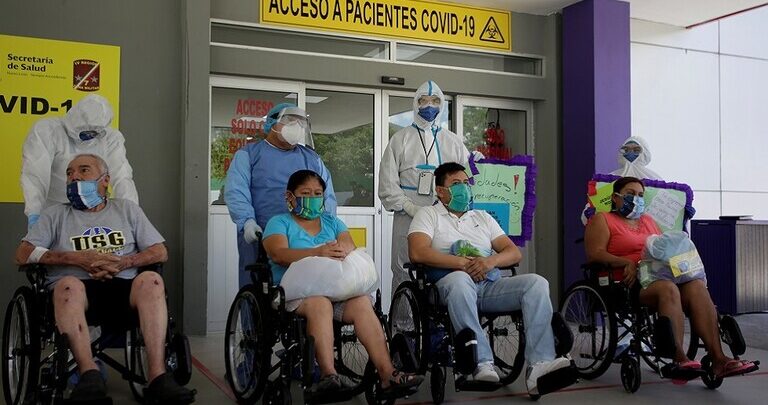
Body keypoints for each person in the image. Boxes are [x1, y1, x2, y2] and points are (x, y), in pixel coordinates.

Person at [14, 154, 195, 403]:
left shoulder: (127, 209)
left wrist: (125, 262)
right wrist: (77, 259)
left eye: (83, 170)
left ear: (105, 180)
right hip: (75, 291)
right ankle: (89, 374)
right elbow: (22, 254)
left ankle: (158, 376)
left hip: (123, 287)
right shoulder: (55, 215)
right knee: (68, 285)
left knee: (152, 280)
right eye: (69, 173)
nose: (74, 177)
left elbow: (159, 251)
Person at [407, 162, 571, 395]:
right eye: (456, 183)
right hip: (447, 286)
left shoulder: (482, 217)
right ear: (440, 191)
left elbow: (513, 252)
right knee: (460, 280)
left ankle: (540, 365)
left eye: (466, 183)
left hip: (487, 285)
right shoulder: (428, 215)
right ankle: (482, 362)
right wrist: (462, 264)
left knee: (536, 283)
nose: (464, 188)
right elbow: (418, 252)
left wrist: (489, 262)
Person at [262, 170, 423, 394]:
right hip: (298, 293)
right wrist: (317, 252)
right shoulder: (279, 222)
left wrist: (342, 250)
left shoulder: (332, 222)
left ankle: (388, 375)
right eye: (305, 193)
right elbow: (278, 254)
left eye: (317, 193)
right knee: (320, 304)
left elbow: (349, 247)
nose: (312, 198)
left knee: (362, 303)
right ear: (290, 196)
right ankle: (329, 375)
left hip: (335, 290)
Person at [584, 176, 759, 379]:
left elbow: (662, 249)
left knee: (696, 286)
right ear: (615, 197)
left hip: (657, 275)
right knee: (668, 288)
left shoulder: (648, 221)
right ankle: (679, 358)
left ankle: (719, 359)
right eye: (630, 194)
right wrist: (625, 262)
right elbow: (595, 254)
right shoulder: (603, 219)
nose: (636, 199)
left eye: (640, 195)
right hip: (624, 282)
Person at [379, 80, 478, 298]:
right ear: (415, 103)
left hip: (447, 218)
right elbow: (387, 184)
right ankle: (403, 318)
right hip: (408, 217)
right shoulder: (400, 139)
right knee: (405, 269)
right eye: (423, 101)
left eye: (435, 101)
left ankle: (445, 314)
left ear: (441, 104)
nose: (429, 106)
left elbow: (468, 179)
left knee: (447, 264)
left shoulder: (452, 141)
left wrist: (479, 164)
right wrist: (409, 207)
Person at [225, 103, 337, 288]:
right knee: (257, 287)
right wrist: (247, 222)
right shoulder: (249, 155)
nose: (297, 127)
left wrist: (328, 225)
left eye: (300, 123)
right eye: (290, 121)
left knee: (312, 285)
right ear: (272, 123)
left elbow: (327, 196)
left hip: (307, 235)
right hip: (262, 234)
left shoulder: (312, 158)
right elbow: (237, 191)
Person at [21, 94, 138, 229]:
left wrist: (131, 214)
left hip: (95, 212)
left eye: (93, 133)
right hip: (54, 213)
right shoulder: (48, 131)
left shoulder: (110, 138)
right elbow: (35, 175)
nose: (88, 136)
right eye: (84, 132)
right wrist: (35, 213)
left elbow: (122, 177)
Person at [582, 136, 666, 224]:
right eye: (626, 150)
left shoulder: (653, 178)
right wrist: (590, 212)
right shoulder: (610, 178)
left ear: (645, 152)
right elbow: (595, 202)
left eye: (636, 150)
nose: (630, 153)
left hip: (645, 226)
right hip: (613, 225)